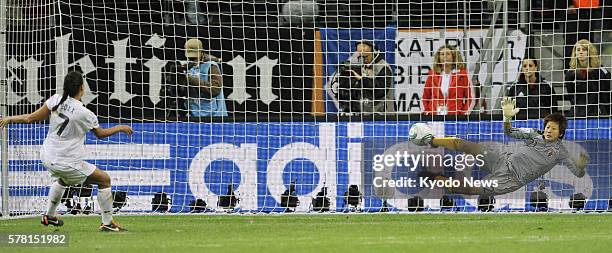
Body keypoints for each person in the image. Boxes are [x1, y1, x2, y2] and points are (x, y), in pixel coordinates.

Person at [0, 71, 133, 232]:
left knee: (64, 180)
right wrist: (120, 127)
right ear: (82, 89)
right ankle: (107, 223)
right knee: (104, 180)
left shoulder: (56, 100)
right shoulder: (85, 113)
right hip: (65, 161)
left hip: (47, 155)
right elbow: (101, 134)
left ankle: (49, 215)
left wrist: (9, 119)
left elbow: (30, 118)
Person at [413, 98, 589, 196]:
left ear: (560, 133)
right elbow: (510, 132)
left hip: (511, 180)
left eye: (553, 128)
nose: (549, 130)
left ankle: (435, 178)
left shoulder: (561, 152)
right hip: (502, 157)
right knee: (467, 145)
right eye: (548, 126)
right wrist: (507, 117)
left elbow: (578, 173)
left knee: (468, 188)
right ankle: (432, 140)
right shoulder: (534, 133)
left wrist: (581, 166)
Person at [328, 40, 394, 114]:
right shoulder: (361, 67)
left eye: (366, 56)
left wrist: (361, 79)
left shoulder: (383, 67)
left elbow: (380, 91)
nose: (364, 59)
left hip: (382, 114)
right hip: (365, 114)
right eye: (361, 56)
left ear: (374, 53)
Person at [564, 39, 611, 117]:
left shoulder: (601, 72)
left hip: (598, 113)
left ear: (590, 52)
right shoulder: (570, 74)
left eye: (584, 50)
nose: (581, 52)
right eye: (578, 50)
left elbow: (606, 95)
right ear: (575, 53)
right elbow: (571, 95)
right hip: (577, 113)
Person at [422, 45, 472, 115]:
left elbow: (469, 98)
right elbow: (425, 97)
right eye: (442, 54)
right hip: (435, 117)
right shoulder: (432, 75)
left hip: (455, 117)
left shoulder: (462, 75)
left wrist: (462, 113)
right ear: (438, 58)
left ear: (453, 57)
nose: (445, 56)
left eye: (448, 54)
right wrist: (428, 112)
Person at [183, 38, 227, 117]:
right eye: (190, 57)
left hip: (213, 116)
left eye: (194, 56)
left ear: (201, 52)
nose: (192, 59)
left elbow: (215, 89)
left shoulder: (211, 66)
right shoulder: (188, 68)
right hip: (193, 115)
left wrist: (190, 80)